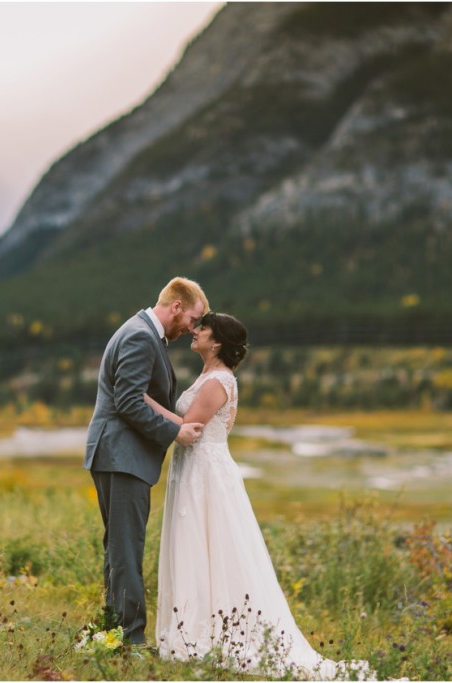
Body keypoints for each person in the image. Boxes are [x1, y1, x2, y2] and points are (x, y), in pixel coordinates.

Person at [144, 312, 376, 680]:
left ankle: (209, 633)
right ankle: (188, 626)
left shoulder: (219, 380)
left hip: (206, 473)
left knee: (211, 546)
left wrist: (146, 403)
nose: (194, 331)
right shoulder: (209, 375)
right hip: (192, 468)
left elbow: (190, 426)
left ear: (216, 342)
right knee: (193, 545)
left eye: (201, 328)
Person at [84, 276, 209, 646]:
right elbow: (128, 401)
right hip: (121, 456)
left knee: (118, 547)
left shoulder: (140, 331)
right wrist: (175, 433)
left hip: (115, 454)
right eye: (192, 319)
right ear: (176, 307)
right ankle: (131, 641)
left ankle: (113, 631)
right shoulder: (140, 337)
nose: (192, 329)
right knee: (126, 548)